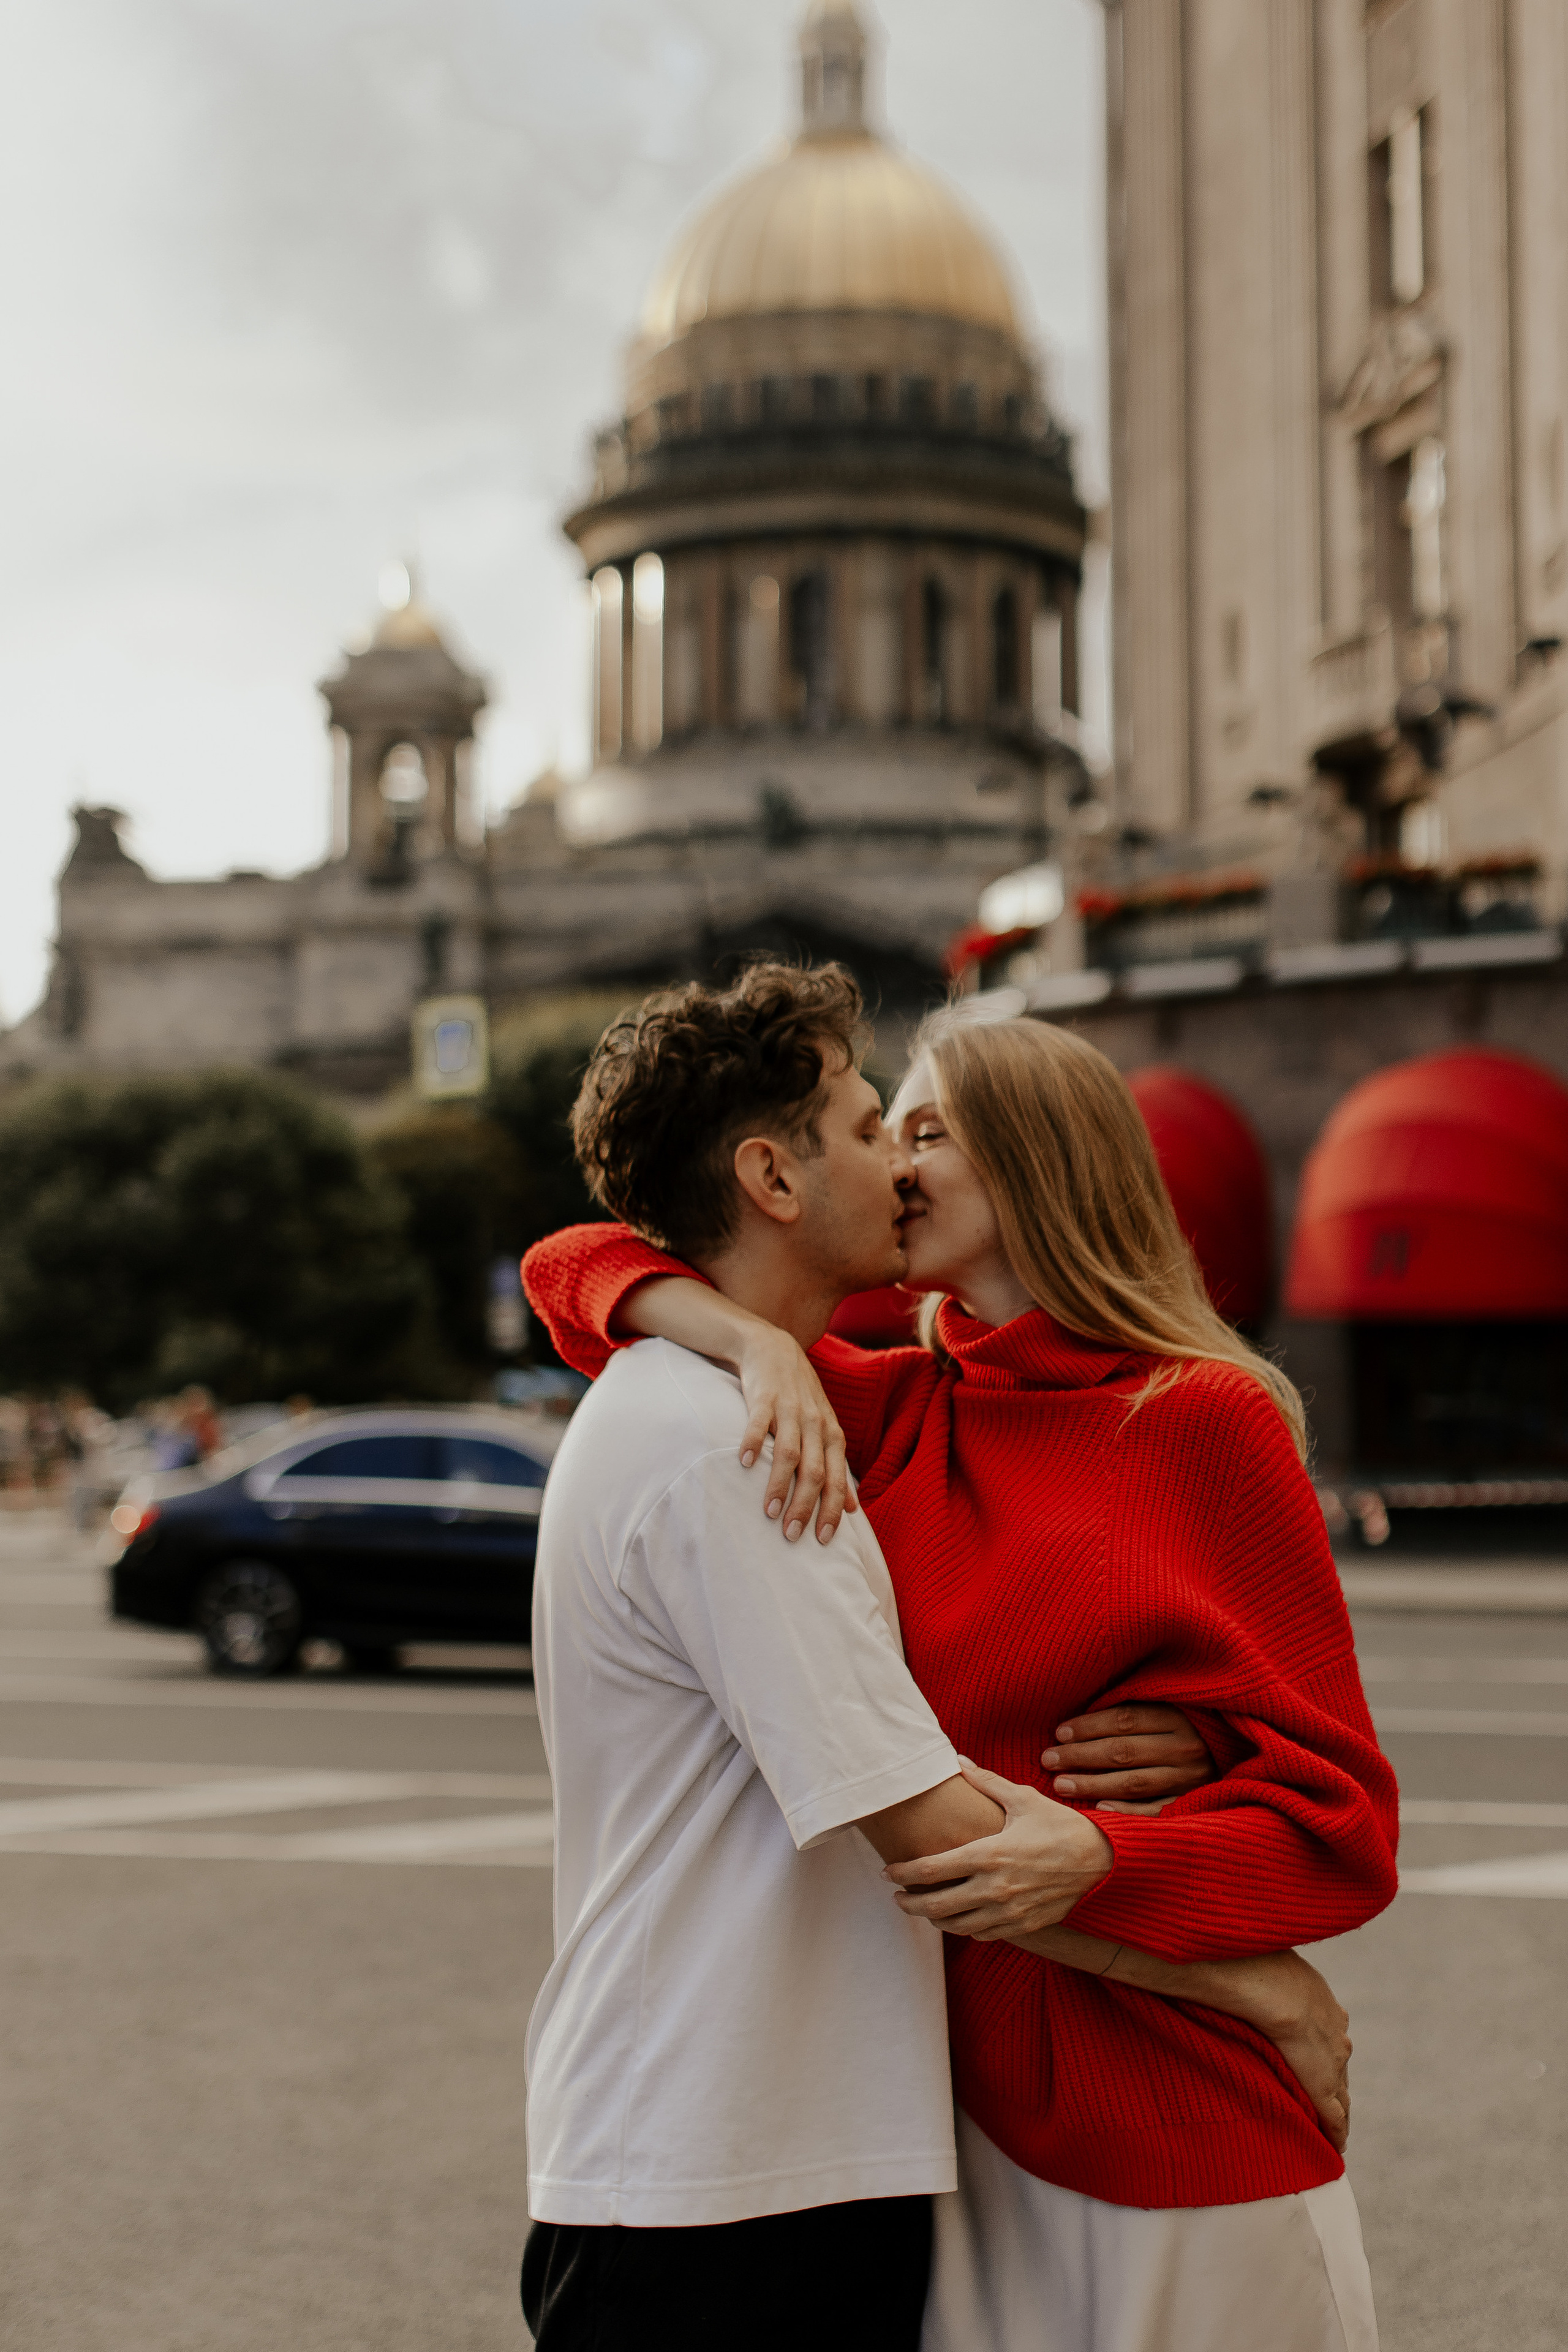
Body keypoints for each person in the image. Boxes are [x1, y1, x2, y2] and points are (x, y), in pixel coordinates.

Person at [525, 965, 1398, 2352]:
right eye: (879, 1130)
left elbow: (1343, 1829)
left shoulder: (1206, 1420)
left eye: (921, 1131)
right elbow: (573, 1270)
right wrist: (745, 1336)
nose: (893, 1164)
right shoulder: (869, 1411)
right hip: (959, 2141)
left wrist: (1120, 1850)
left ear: (1038, 1163)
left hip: (1181, 2117)